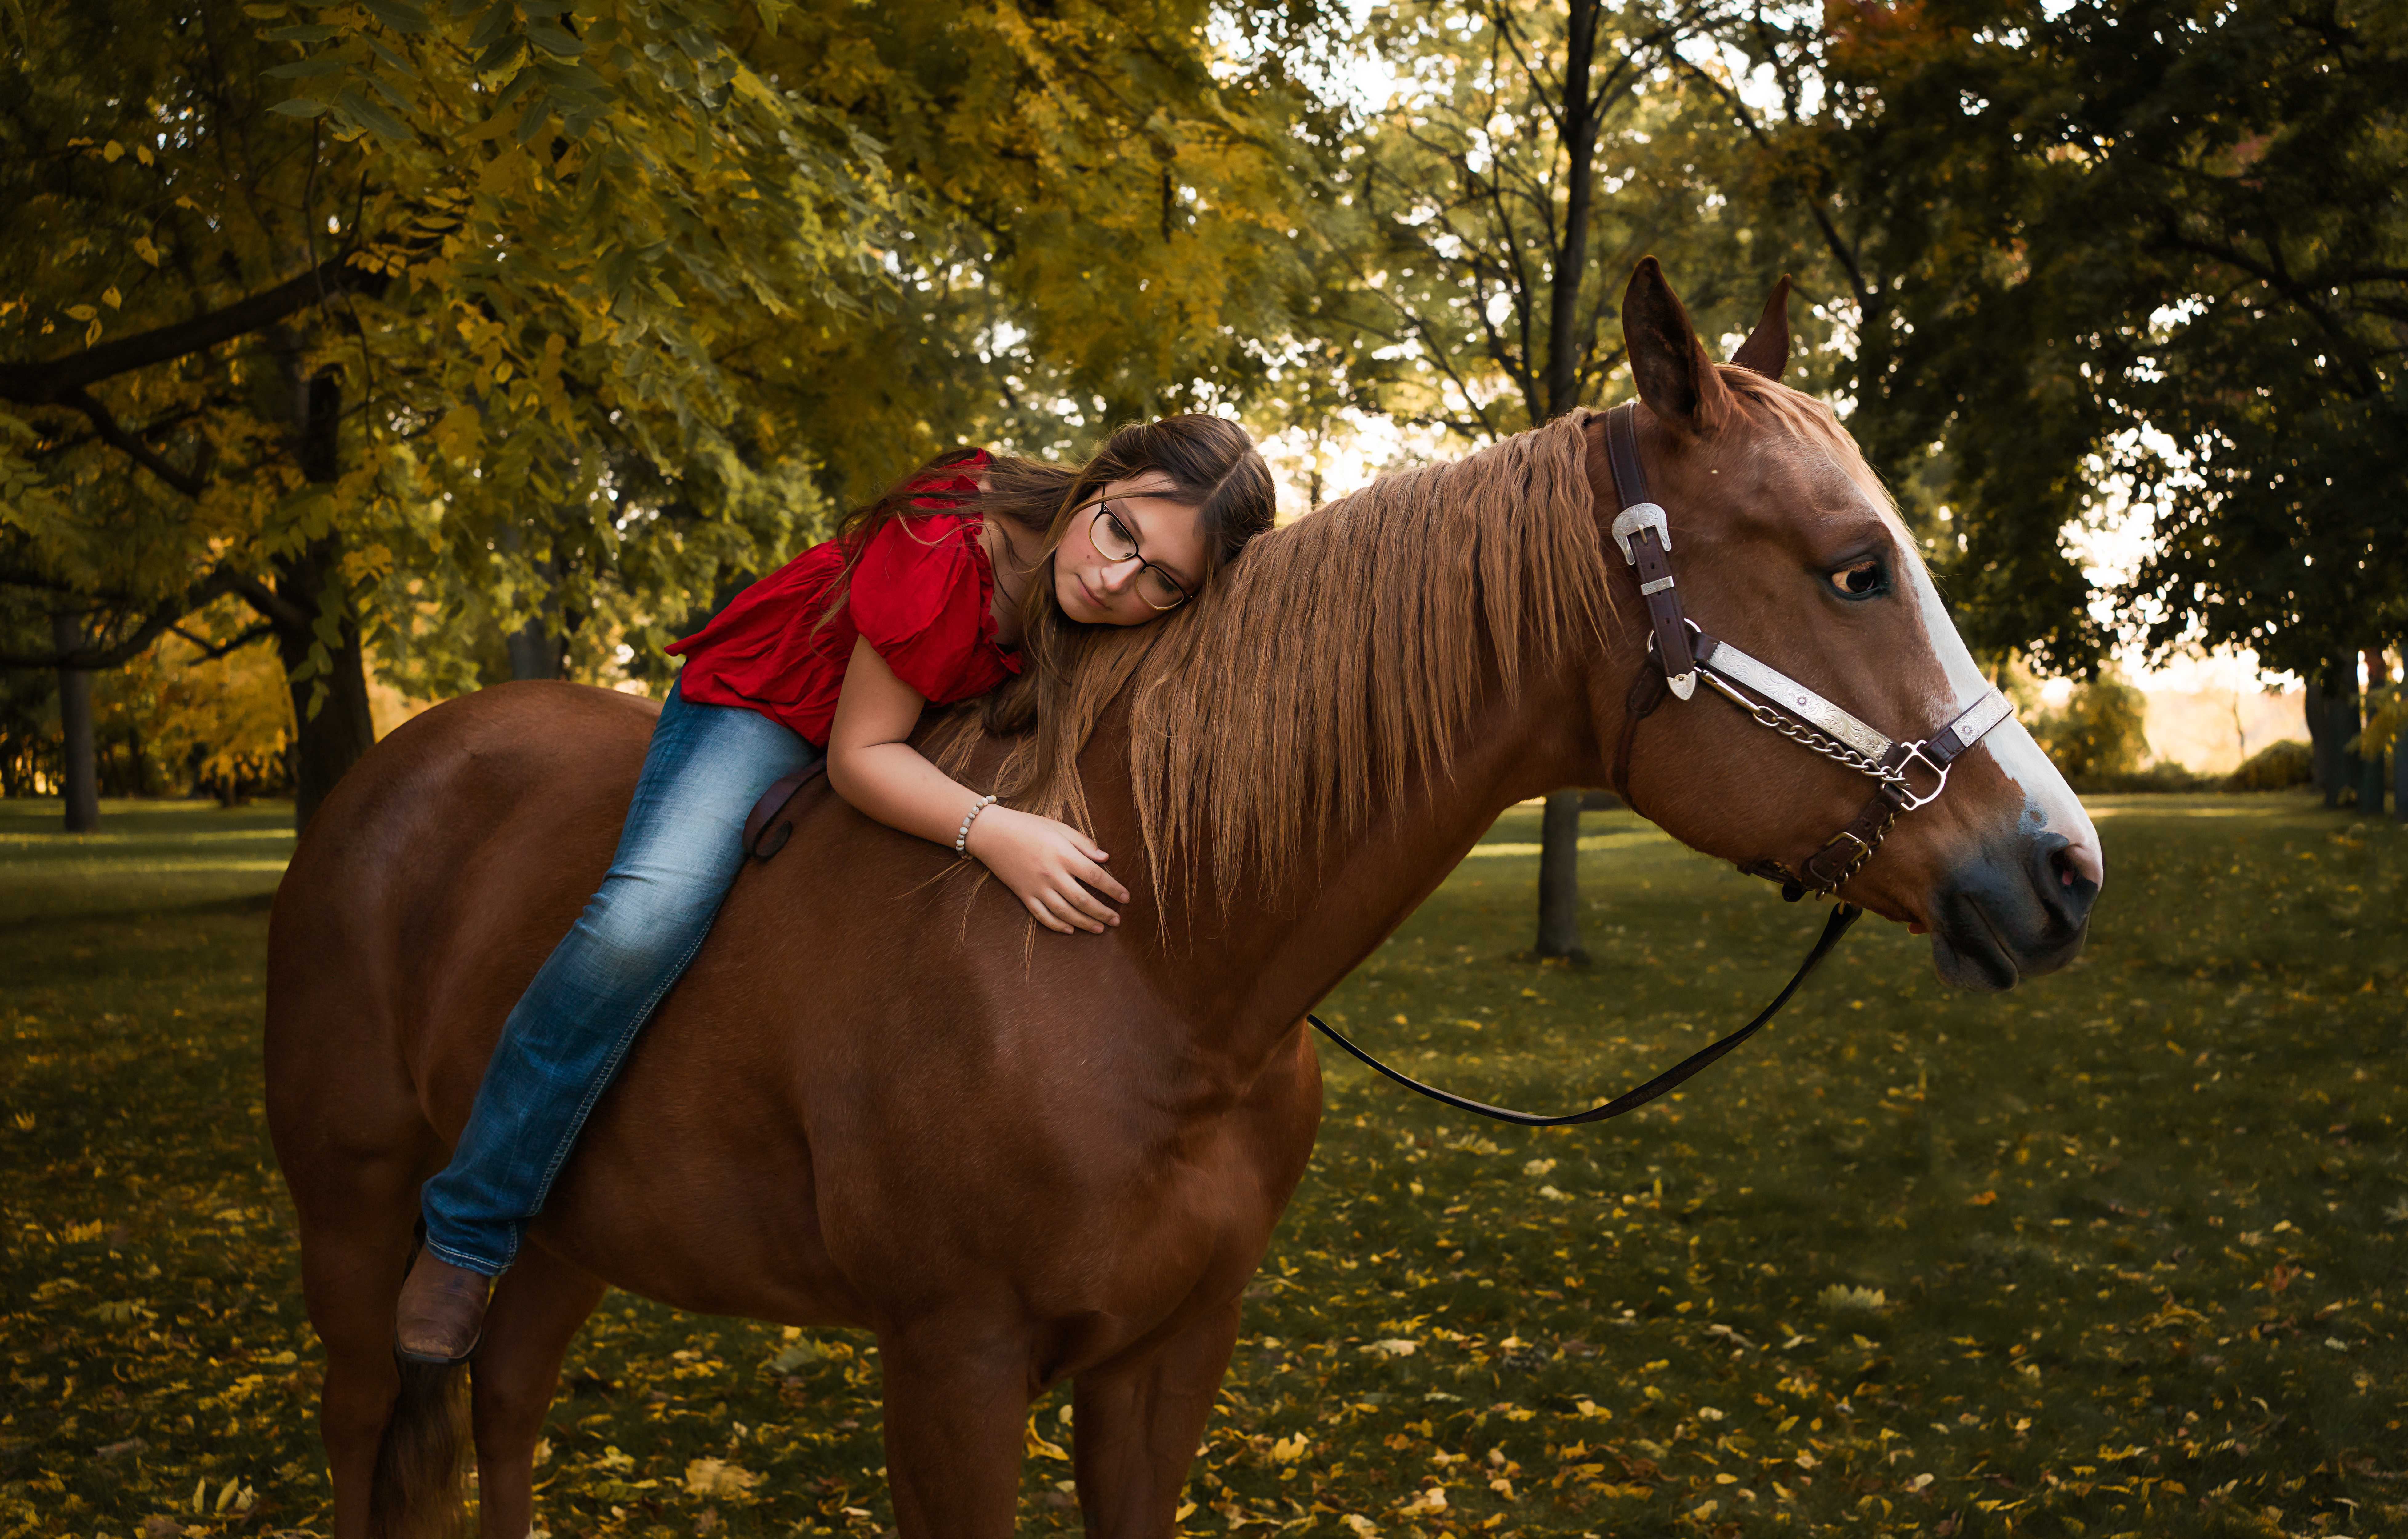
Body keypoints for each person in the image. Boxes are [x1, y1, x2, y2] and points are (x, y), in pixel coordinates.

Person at [394, 415, 1278, 1363]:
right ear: (1099, 482)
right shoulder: (950, 542)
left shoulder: (1123, 601)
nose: (1115, 581)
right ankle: (467, 1229)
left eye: (1162, 581)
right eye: (1119, 534)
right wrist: (996, 830)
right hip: (782, 707)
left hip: (929, 725)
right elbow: (862, 758)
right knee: (643, 919)